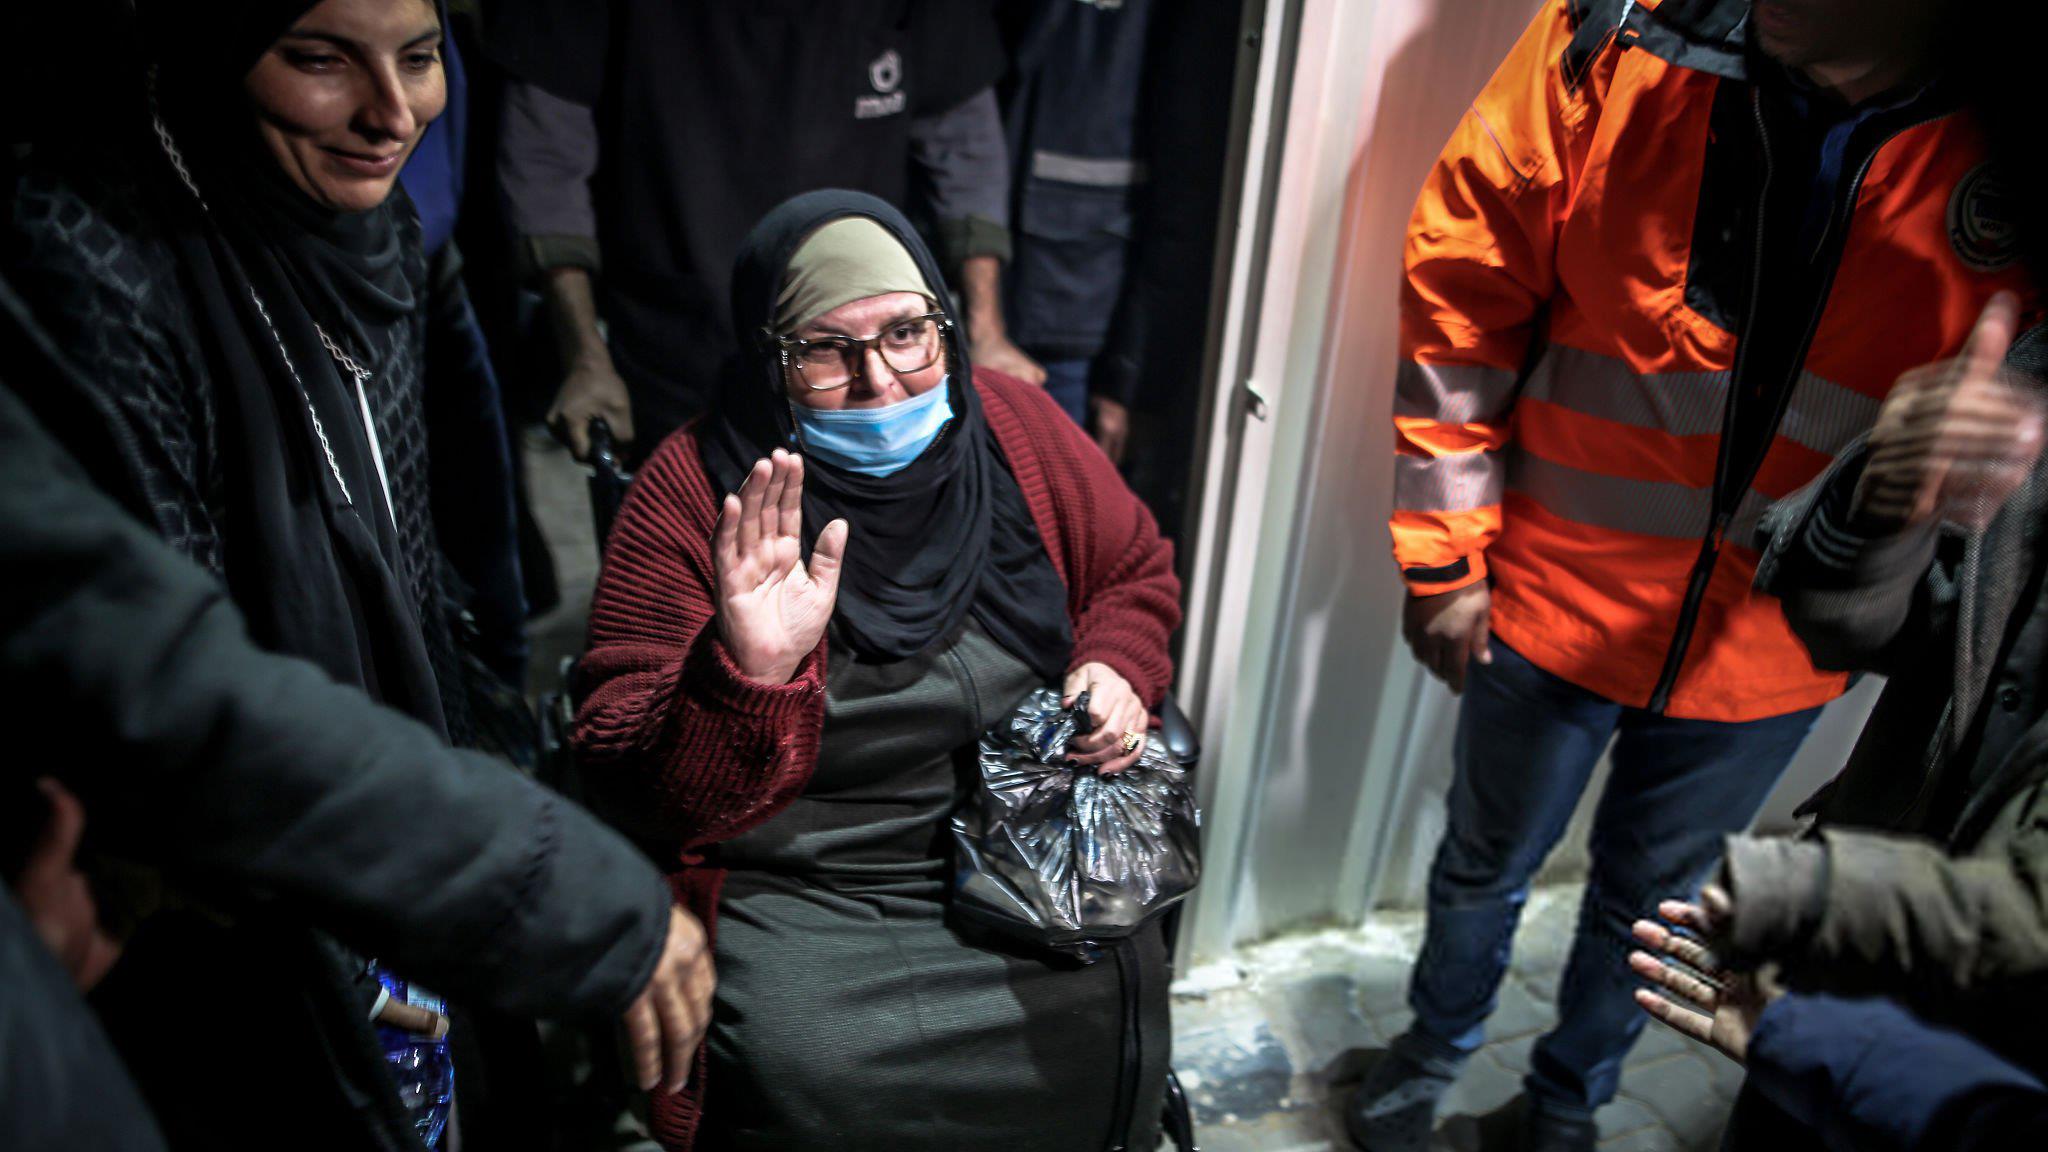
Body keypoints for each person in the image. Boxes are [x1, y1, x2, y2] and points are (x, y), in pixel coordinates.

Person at [1358, 2, 2040, 1149]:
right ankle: (1430, 1052)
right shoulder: (1617, 31)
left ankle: (1563, 1106)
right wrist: (1442, 557)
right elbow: (1459, 292)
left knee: (1653, 910)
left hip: (1765, 654)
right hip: (1547, 597)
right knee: (1482, 861)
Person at [0, 0, 593, 1143]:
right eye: (319, 59)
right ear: (213, 54)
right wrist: (347, 941)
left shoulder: (377, 232)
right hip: (235, 889)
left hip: (392, 811)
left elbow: (429, 557)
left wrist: (476, 771)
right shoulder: (94, 258)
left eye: (419, 59)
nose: (392, 113)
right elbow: (173, 687)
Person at [0, 293, 712, 1151]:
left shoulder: (376, 274)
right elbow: (171, 686)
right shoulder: (107, 290)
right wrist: (560, 888)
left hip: (393, 799)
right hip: (289, 891)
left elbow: (439, 522)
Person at [569, 190, 1183, 1151]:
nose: (880, 381)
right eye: (825, 350)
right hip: (801, 880)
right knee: (810, 1061)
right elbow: (620, 771)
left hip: (1016, 840)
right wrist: (745, 676)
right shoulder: (691, 493)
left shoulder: (1015, 427)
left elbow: (1132, 570)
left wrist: (1117, 664)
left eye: (906, 333)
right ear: (768, 358)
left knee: (1108, 1005)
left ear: (944, 321)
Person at [482, 0, 1039, 462]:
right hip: (676, 340)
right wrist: (584, 356)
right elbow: (546, 162)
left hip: (857, 355)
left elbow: (965, 152)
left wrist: (986, 332)